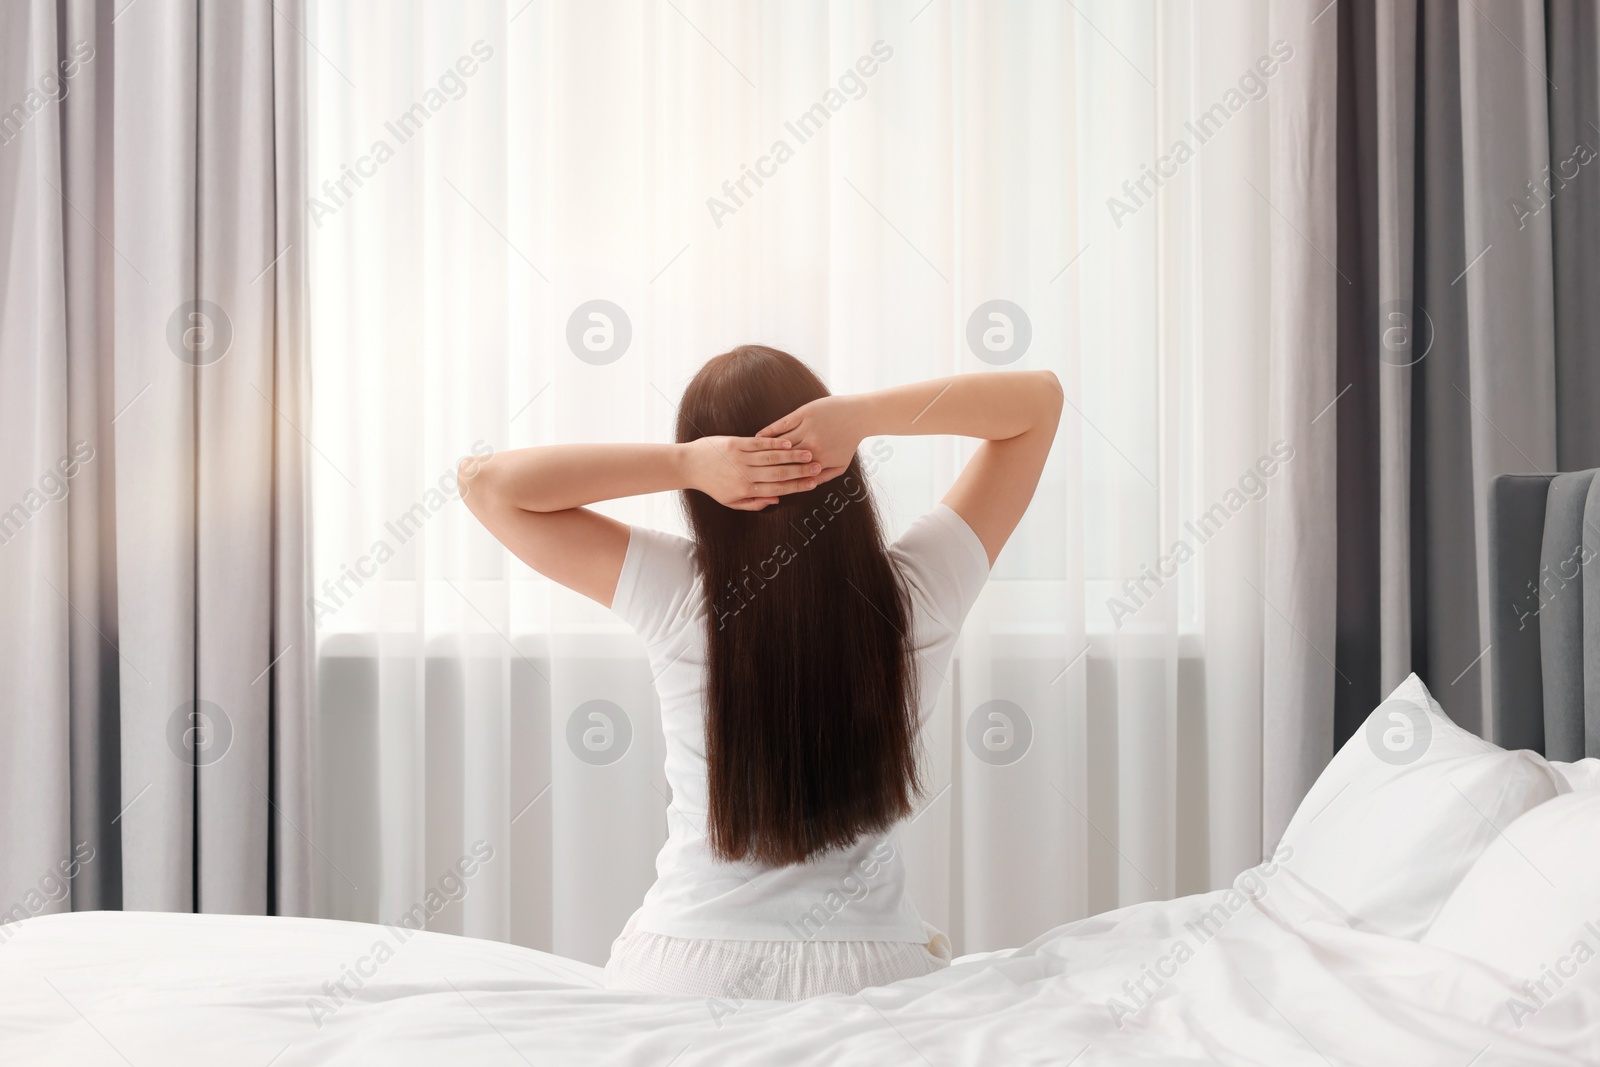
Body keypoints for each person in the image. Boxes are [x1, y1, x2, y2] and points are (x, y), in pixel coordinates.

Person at [459, 344, 1061, 999]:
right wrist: (860, 416)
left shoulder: (673, 590)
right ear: (845, 468)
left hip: (684, 968)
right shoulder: (922, 588)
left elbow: (484, 483)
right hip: (871, 973)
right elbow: (1039, 402)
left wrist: (687, 464)